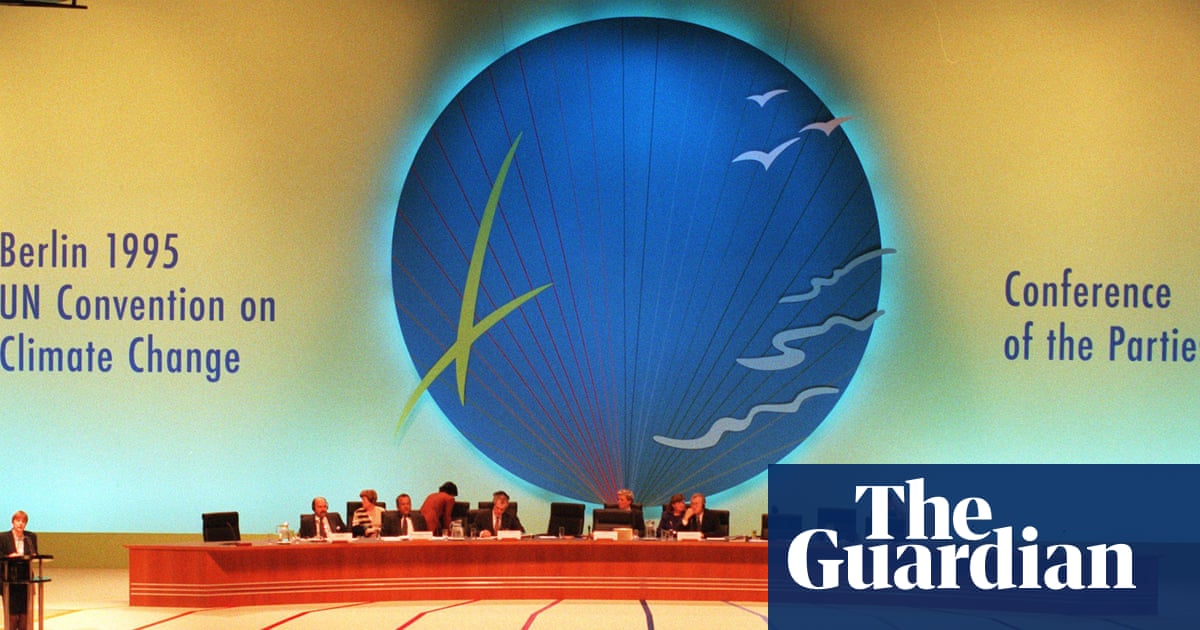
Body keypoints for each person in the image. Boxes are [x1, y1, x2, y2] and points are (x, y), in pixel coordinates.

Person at [1, 511, 38, 630]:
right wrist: (9, 556)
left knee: (24, 614)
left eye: (23, 521)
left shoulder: (30, 537)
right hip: (9, 578)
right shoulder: (3, 537)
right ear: (12, 522)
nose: (20, 523)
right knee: (12, 614)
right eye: (18, 521)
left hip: (26, 578)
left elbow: (34, 553)